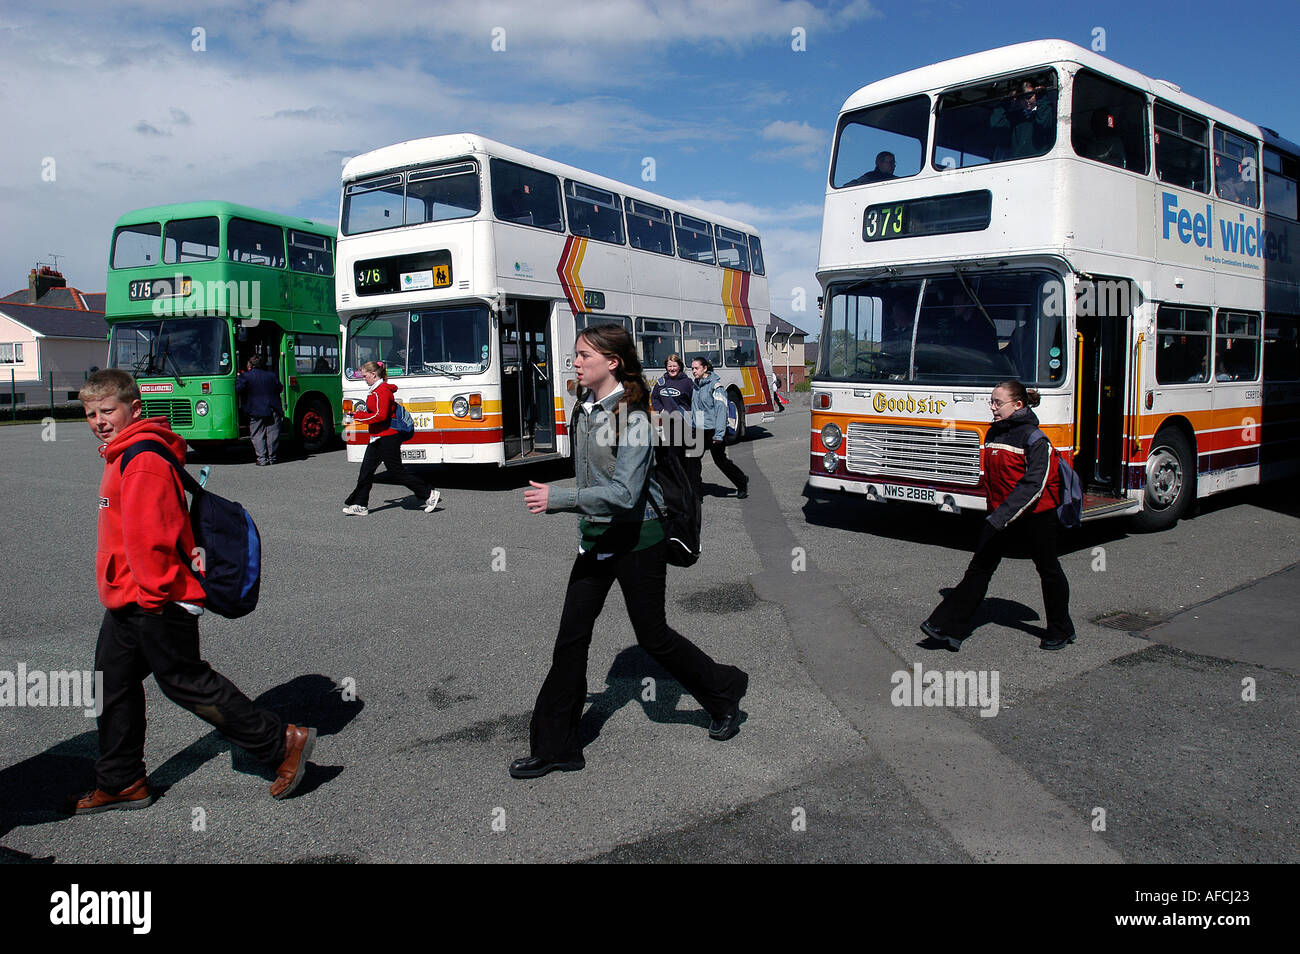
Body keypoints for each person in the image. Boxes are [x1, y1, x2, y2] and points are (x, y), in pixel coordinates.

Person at [72, 370, 316, 814]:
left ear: (134, 408)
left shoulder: (141, 458)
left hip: (154, 597)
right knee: (112, 685)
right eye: (91, 413)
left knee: (187, 683)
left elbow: (153, 539)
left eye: (108, 410)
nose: (99, 421)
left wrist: (152, 598)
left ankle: (282, 744)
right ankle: (121, 781)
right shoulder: (123, 453)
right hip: (129, 597)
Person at [511, 325, 749, 779]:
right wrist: (582, 520)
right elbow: (589, 476)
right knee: (571, 639)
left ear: (612, 362)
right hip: (597, 539)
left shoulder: (632, 418)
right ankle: (557, 746)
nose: (576, 362)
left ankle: (724, 689)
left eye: (584, 355)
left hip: (639, 537)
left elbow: (624, 493)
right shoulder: (585, 409)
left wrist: (558, 499)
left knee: (653, 636)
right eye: (576, 356)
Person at [920, 379, 1076, 652]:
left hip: (1037, 515)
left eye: (997, 402)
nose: (992, 407)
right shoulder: (994, 434)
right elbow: (994, 479)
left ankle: (1061, 630)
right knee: (979, 569)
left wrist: (1002, 515)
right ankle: (947, 628)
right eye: (991, 401)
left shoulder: (1035, 439)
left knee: (1048, 570)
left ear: (1017, 405)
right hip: (1002, 515)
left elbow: (1034, 485)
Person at [342, 360, 440, 516]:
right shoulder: (377, 389)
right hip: (378, 437)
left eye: (365, 375)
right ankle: (360, 505)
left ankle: (428, 494)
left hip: (388, 437)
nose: (363, 378)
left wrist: (357, 416)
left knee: (396, 471)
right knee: (366, 471)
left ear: (374, 375)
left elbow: (379, 416)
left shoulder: (382, 391)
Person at [690, 356, 749, 499]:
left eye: (696, 368)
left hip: (713, 430)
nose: (693, 371)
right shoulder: (696, 386)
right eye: (692, 368)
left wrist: (719, 434)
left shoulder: (717, 387)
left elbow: (721, 411)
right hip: (699, 429)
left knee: (720, 461)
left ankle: (741, 482)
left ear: (705, 368)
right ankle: (695, 493)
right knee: (692, 461)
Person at [235, 354, 284, 466]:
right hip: (273, 408)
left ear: (250, 365)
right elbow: (280, 388)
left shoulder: (246, 376)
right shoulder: (271, 375)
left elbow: (238, 389)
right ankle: (272, 458)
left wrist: (239, 377)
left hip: (256, 409)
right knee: (272, 434)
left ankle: (262, 459)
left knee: (257, 434)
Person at [991, 80, 1056, 160]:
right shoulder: (1015, 117)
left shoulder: (1045, 111)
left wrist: (1042, 97)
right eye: (1022, 98)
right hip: (1018, 164)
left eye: (1029, 96)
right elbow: (997, 126)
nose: (1026, 101)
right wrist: (1006, 102)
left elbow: (1043, 124)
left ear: (1036, 95)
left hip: (1040, 161)